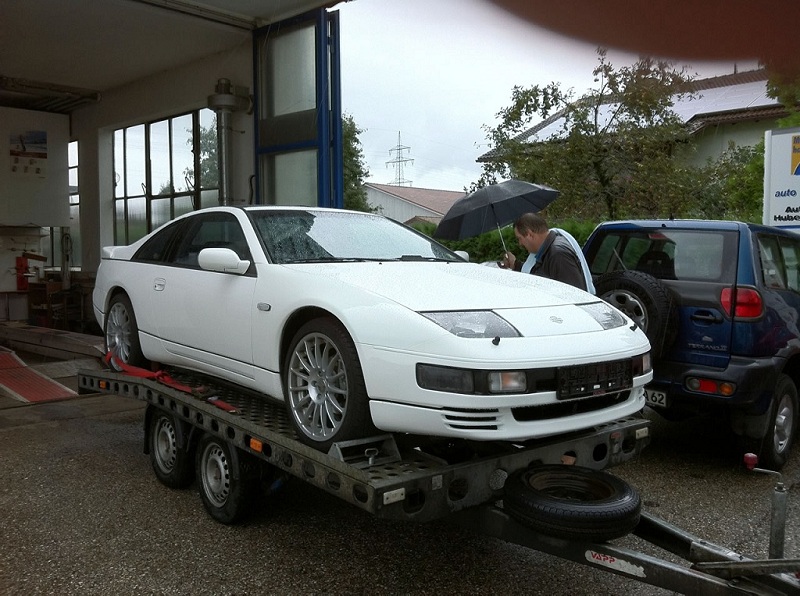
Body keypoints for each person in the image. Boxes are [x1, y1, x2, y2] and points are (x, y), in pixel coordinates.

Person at [500, 213, 595, 293]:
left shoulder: (558, 255)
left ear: (529, 234)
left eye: (519, 238)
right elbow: (539, 272)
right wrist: (515, 265)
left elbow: (574, 294)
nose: (520, 244)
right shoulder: (547, 249)